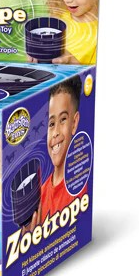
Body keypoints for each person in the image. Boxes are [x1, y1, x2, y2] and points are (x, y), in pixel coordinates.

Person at [40, 76, 87, 222]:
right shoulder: (41, 195)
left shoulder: (79, 188)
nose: (55, 132)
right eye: (51, 124)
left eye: (63, 120)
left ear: (74, 123)